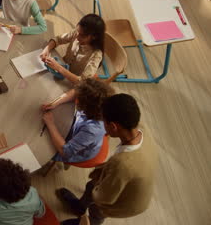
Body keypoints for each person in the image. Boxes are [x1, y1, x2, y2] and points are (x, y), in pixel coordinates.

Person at [57, 93, 157, 225]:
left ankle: (87, 222)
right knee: (91, 186)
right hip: (127, 177)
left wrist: (96, 192)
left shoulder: (123, 164)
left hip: (126, 201)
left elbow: (104, 198)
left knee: (97, 211)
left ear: (114, 126)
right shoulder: (140, 128)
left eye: (103, 121)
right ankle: (79, 207)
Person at [42, 78, 113, 164]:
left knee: (41, 149)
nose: (76, 98)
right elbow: (75, 92)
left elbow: (66, 152)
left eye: (79, 99)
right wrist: (56, 103)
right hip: (78, 130)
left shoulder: (92, 129)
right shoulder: (98, 104)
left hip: (74, 152)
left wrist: (50, 124)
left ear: (87, 105)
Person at [40, 14, 105, 84]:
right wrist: (47, 48)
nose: (77, 37)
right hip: (60, 70)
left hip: (71, 82)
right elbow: (58, 39)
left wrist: (58, 67)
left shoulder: (96, 55)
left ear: (94, 37)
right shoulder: (77, 33)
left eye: (82, 36)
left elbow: (82, 82)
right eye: (78, 31)